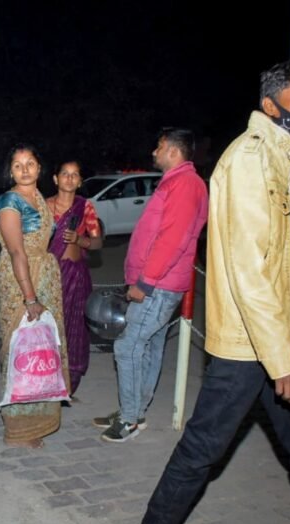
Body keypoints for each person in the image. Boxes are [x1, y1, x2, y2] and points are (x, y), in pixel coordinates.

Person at [123, 61, 290, 524]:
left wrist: (289, 347)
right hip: (249, 347)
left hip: (277, 341)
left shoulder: (276, 158)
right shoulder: (250, 161)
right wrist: (281, 359)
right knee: (204, 448)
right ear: (271, 106)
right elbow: (250, 271)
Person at [93, 128, 208, 443]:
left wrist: (146, 282)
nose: (153, 152)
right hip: (162, 282)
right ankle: (135, 410)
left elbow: (171, 240)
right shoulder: (178, 183)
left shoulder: (185, 185)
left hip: (158, 284)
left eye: (158, 146)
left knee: (127, 345)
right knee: (149, 345)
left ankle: (129, 419)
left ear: (172, 150)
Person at [0, 143, 70, 448]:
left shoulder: (38, 198)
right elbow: (16, 252)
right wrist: (29, 297)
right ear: (9, 171)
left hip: (45, 275)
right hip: (20, 279)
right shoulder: (9, 203)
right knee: (20, 349)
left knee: (44, 349)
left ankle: (42, 416)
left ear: (40, 168)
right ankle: (19, 427)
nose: (24, 170)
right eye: (17, 165)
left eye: (30, 164)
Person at [45, 160, 102, 396]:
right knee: (49, 328)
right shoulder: (44, 206)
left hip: (75, 278)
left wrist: (80, 240)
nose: (69, 178)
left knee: (74, 328)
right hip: (48, 276)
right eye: (64, 174)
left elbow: (97, 242)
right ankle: (45, 378)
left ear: (79, 182)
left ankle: (69, 382)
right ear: (56, 179)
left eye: (74, 175)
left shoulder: (85, 207)